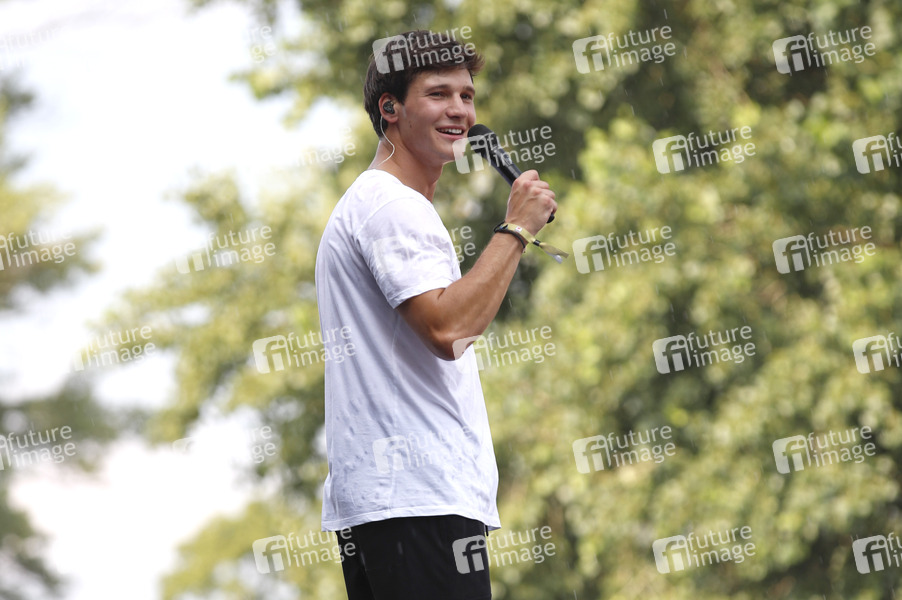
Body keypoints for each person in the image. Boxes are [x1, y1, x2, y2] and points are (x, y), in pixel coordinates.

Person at [314, 29, 558, 600]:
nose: (459, 111)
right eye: (438, 94)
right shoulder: (392, 205)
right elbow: (448, 329)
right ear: (390, 108)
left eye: (466, 96)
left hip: (396, 504)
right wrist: (517, 228)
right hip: (416, 502)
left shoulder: (378, 202)